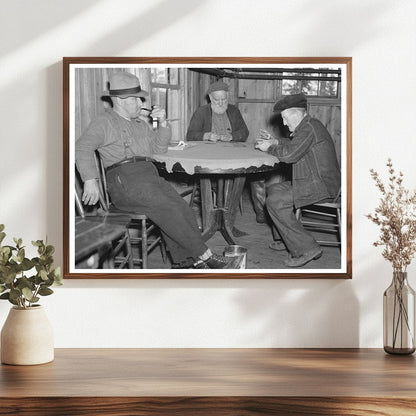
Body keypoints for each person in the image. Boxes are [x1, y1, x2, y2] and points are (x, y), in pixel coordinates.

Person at [76, 71, 240, 269]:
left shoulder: (140, 124)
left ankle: (185, 262)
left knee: (182, 208)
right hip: (124, 181)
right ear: (120, 99)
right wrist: (90, 179)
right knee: (168, 208)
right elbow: (82, 147)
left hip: (148, 176)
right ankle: (205, 256)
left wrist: (163, 124)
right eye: (136, 99)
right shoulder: (104, 121)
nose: (141, 104)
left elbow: (158, 149)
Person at [255, 93, 341, 268]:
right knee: (274, 189)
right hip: (313, 180)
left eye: (286, 119)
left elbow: (289, 155)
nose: (284, 124)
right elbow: (293, 144)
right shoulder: (307, 126)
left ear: (297, 114)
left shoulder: (309, 128)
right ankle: (286, 239)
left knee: (275, 201)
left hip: (323, 187)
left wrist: (270, 147)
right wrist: (275, 141)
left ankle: (307, 248)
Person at [186, 80, 267, 223]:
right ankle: (208, 213)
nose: (221, 103)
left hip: (233, 155)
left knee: (257, 171)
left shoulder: (233, 111)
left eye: (224, 99)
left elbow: (244, 132)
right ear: (210, 98)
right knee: (206, 179)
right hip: (209, 156)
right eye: (217, 99)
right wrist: (206, 136)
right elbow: (191, 135)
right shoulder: (201, 112)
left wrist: (232, 137)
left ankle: (260, 211)